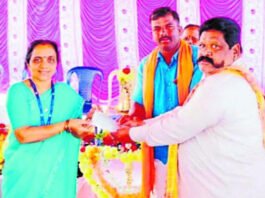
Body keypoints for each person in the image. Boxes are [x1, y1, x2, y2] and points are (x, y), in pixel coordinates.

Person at [114, 17, 265, 198]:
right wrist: (143, 124)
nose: (205, 52)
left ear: (235, 51)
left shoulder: (223, 84)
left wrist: (131, 134)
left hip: (223, 188)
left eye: (215, 46)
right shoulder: (221, 78)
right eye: (202, 46)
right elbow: (184, 112)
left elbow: (180, 126)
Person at [119, 6, 202, 197]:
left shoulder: (198, 57)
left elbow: (194, 104)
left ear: (180, 30)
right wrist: (131, 119)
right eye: (157, 29)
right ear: (152, 34)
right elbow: (139, 104)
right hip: (158, 148)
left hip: (192, 147)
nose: (163, 32)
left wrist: (140, 127)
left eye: (169, 27)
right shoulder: (146, 65)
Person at [2, 40, 92, 198]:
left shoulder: (66, 94)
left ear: (57, 64)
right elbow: (23, 135)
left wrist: (88, 122)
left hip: (57, 174)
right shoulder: (17, 92)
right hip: (24, 175)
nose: (44, 65)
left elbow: (78, 133)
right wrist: (65, 125)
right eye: (37, 59)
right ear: (27, 64)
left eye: (50, 59)